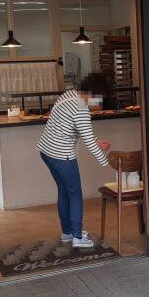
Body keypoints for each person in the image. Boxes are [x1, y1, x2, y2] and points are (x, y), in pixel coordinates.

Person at [37, 87, 111, 248]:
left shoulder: (69, 94)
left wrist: (96, 140)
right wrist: (106, 162)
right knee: (75, 194)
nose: (98, 106)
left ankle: (67, 233)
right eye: (100, 102)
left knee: (64, 191)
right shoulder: (82, 109)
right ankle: (77, 237)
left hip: (46, 151)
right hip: (62, 154)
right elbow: (88, 140)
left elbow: (79, 128)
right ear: (95, 96)